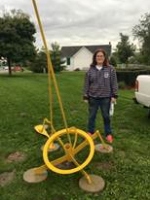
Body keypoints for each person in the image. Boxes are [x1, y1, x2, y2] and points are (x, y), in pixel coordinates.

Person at [83, 49, 118, 143]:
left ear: (104, 57)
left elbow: (114, 83)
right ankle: (90, 132)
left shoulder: (110, 69)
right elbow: (86, 84)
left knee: (106, 116)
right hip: (93, 98)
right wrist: (85, 96)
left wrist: (114, 95)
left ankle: (108, 134)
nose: (99, 57)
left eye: (101, 56)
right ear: (95, 58)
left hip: (106, 98)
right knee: (91, 116)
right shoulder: (90, 70)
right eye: (98, 56)